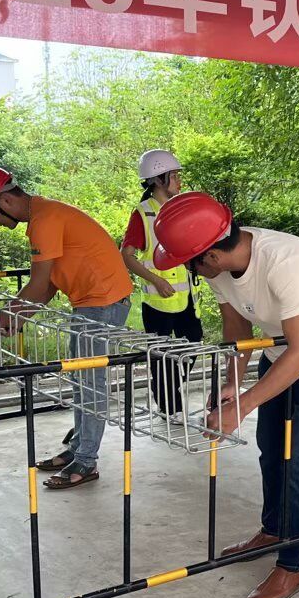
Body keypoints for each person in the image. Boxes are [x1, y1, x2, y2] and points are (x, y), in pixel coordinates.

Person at [151, 192, 299, 598]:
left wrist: (242, 406)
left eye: (189, 263)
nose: (189, 272)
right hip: (278, 352)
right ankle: (274, 529)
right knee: (270, 449)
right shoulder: (218, 267)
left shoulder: (284, 262)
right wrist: (232, 381)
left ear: (210, 255)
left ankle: (293, 565)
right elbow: (237, 328)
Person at [0, 166, 133, 487]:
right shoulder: (43, 216)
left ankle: (86, 462)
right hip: (92, 301)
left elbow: (39, 285)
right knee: (81, 379)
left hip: (103, 302)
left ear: (5, 201)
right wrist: (18, 317)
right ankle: (78, 448)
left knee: (90, 382)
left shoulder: (45, 220)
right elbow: (48, 285)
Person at [121, 150, 203, 415]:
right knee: (161, 355)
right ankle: (169, 407)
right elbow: (127, 256)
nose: (179, 181)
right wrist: (155, 280)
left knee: (193, 343)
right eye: (174, 176)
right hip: (158, 301)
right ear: (158, 179)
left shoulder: (181, 208)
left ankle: (170, 394)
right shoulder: (143, 214)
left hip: (186, 297)